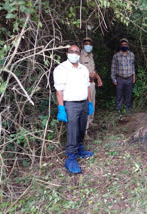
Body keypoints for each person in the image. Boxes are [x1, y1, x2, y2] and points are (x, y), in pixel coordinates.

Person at [53, 44, 94, 174]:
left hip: (83, 103)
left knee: (82, 128)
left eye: (77, 52)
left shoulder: (83, 69)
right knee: (73, 130)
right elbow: (59, 91)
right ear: (67, 53)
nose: (74, 54)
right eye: (71, 51)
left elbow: (87, 86)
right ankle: (70, 158)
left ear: (79, 54)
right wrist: (61, 108)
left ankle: (80, 149)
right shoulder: (61, 69)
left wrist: (89, 103)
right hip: (71, 104)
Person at [79, 37, 103, 130]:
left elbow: (93, 69)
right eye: (86, 44)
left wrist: (98, 78)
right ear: (82, 45)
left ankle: (90, 122)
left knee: (92, 103)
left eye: (90, 44)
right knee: (86, 105)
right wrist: (88, 74)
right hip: (84, 85)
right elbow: (77, 70)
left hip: (92, 83)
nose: (88, 46)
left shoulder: (91, 55)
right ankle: (85, 129)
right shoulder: (80, 55)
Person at [111, 38, 135, 113]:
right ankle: (118, 110)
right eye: (122, 44)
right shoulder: (116, 56)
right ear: (120, 46)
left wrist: (134, 77)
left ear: (128, 45)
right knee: (119, 96)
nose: (124, 46)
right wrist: (114, 79)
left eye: (125, 44)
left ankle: (128, 109)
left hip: (129, 78)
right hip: (120, 79)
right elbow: (113, 68)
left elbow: (133, 66)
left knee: (129, 95)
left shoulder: (131, 55)